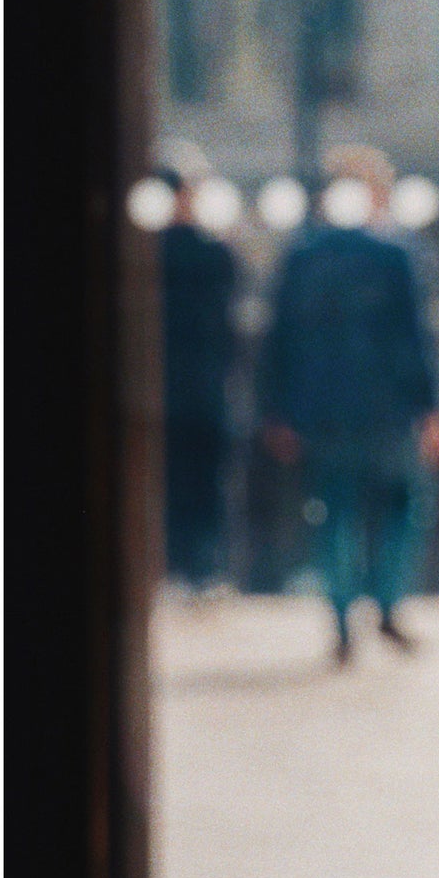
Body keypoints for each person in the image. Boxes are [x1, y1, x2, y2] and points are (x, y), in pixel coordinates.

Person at [257, 146, 439, 661]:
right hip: (387, 406)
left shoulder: (302, 256)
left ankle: (345, 614)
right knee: (402, 506)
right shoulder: (396, 255)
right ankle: (385, 603)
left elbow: (276, 337)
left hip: (321, 408)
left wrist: (276, 408)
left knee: (334, 510)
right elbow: (418, 337)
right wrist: (435, 405)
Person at [156, 147, 239, 588]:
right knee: (185, 483)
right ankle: (191, 569)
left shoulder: (209, 252)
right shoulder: (211, 252)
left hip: (195, 388)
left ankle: (199, 569)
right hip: (187, 388)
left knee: (199, 482)